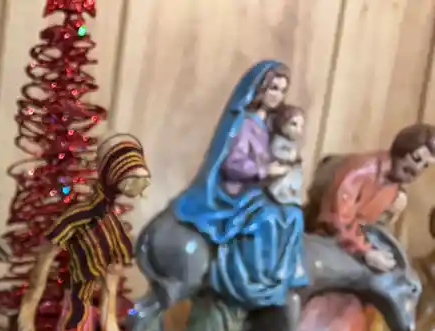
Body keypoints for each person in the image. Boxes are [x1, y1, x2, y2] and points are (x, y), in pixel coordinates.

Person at [19, 134, 162, 331]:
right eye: (131, 176)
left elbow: (109, 323)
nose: (138, 186)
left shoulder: (117, 234)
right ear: (113, 173)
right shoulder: (76, 218)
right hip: (72, 324)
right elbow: (35, 288)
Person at [173, 60, 306, 310]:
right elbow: (233, 163)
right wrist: (265, 170)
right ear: (259, 89)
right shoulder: (245, 123)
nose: (277, 96)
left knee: (294, 215)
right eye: (273, 88)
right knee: (270, 219)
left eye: (282, 90)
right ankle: (248, 279)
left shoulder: (269, 124)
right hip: (238, 191)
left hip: (259, 189)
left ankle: (279, 274)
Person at [307, 123, 435, 273]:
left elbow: (369, 226)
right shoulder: (362, 170)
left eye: (425, 165)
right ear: (402, 148)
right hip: (324, 240)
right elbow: (337, 218)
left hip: (351, 244)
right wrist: (365, 252)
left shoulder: (394, 188)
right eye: (416, 158)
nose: (417, 169)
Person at [266, 105, 305, 206]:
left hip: (291, 169)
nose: (298, 130)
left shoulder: (292, 143)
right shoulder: (278, 140)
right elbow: (275, 151)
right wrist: (288, 156)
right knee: (285, 174)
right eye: (294, 124)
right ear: (282, 124)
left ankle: (290, 192)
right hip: (280, 167)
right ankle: (277, 191)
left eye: (301, 126)